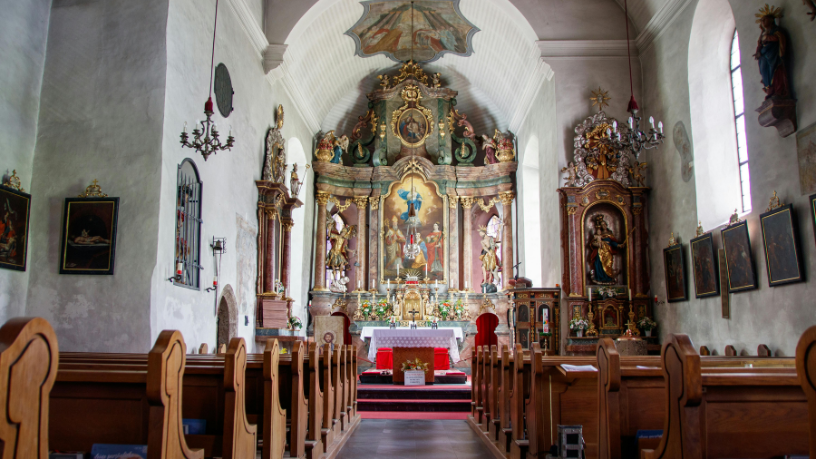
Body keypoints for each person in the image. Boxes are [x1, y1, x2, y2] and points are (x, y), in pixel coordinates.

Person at [754, 8, 791, 99]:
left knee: (775, 72)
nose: (762, 22)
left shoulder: (776, 30)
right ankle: (769, 90)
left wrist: (767, 38)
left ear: (770, 20)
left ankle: (778, 90)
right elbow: (760, 44)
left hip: (774, 56)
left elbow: (779, 38)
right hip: (764, 57)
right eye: (761, 20)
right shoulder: (764, 33)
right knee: (764, 72)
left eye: (764, 19)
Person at [588, 214, 625, 284]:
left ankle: (608, 278)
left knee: (608, 264)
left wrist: (618, 245)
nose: (603, 225)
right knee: (597, 263)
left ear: (606, 224)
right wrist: (596, 243)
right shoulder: (598, 235)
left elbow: (613, 242)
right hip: (599, 251)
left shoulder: (609, 233)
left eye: (604, 224)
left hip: (607, 251)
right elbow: (593, 242)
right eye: (602, 224)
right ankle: (599, 278)